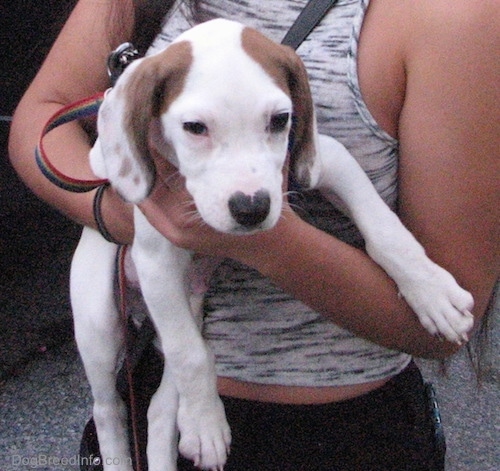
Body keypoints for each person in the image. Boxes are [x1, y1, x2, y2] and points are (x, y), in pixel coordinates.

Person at [9, 0, 499, 469]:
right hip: (150, 368)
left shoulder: (450, 16)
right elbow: (44, 117)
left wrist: (270, 242)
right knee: (112, 349)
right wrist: (121, 212)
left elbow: (445, 323)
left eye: (278, 120)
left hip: (342, 430)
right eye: (198, 127)